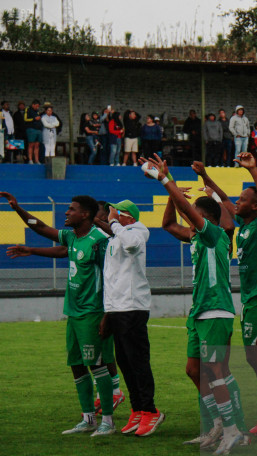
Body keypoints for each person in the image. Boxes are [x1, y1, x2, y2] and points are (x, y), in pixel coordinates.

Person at [148, 154, 244, 455]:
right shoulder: (197, 239)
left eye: (193, 219)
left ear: (206, 219)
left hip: (216, 310)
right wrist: (172, 195)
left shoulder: (215, 235)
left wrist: (167, 181)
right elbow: (167, 224)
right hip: (199, 312)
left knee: (215, 369)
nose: (188, 224)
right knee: (194, 369)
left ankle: (232, 431)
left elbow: (188, 213)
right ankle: (216, 425)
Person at [1, 192, 117, 435]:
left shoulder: (100, 240)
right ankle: (88, 418)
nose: (66, 212)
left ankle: (108, 420)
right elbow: (42, 229)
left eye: (71, 209)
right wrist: (18, 209)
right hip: (73, 312)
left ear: (85, 214)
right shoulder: (73, 237)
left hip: (93, 312)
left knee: (96, 365)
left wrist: (108, 314)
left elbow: (112, 278)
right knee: (76, 364)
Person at [194, 156, 257, 435]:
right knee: (253, 357)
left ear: (256, 206)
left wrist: (253, 170)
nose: (237, 202)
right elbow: (224, 199)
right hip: (253, 298)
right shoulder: (244, 227)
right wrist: (206, 177)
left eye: (243, 200)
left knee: (256, 357)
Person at [98, 200, 164, 436]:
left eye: (116, 213)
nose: (111, 215)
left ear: (127, 216)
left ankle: (150, 410)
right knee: (124, 361)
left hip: (133, 307)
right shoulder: (114, 237)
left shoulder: (138, 230)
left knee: (137, 361)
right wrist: (108, 311)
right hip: (117, 308)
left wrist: (114, 222)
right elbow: (110, 279)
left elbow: (133, 246)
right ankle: (137, 409)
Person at [24, 99, 43, 164]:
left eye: (38, 106)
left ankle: (37, 160)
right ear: (33, 105)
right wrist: (34, 119)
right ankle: (30, 159)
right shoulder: (28, 109)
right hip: (31, 129)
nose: (37, 107)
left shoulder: (37, 111)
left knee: (37, 145)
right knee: (31, 144)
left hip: (38, 129)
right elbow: (25, 119)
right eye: (36, 106)